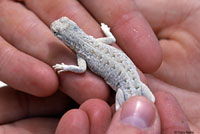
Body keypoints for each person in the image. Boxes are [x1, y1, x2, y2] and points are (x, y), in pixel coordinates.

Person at [0, 0, 199, 133]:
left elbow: (81, 69)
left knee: (126, 110)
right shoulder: (93, 42)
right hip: (135, 82)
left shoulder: (83, 53)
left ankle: (133, 115)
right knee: (150, 99)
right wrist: (105, 30)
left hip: (125, 86)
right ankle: (149, 109)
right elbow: (111, 39)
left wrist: (65, 66)